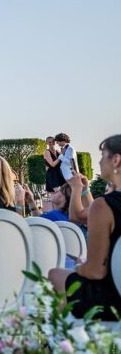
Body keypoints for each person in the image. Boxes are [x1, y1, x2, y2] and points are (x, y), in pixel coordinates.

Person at [49, 135, 121, 320]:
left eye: (103, 156)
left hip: (112, 299)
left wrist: (80, 267)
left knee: (55, 274)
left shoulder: (105, 205)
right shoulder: (103, 205)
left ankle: (65, 332)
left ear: (116, 160)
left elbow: (95, 271)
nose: (99, 161)